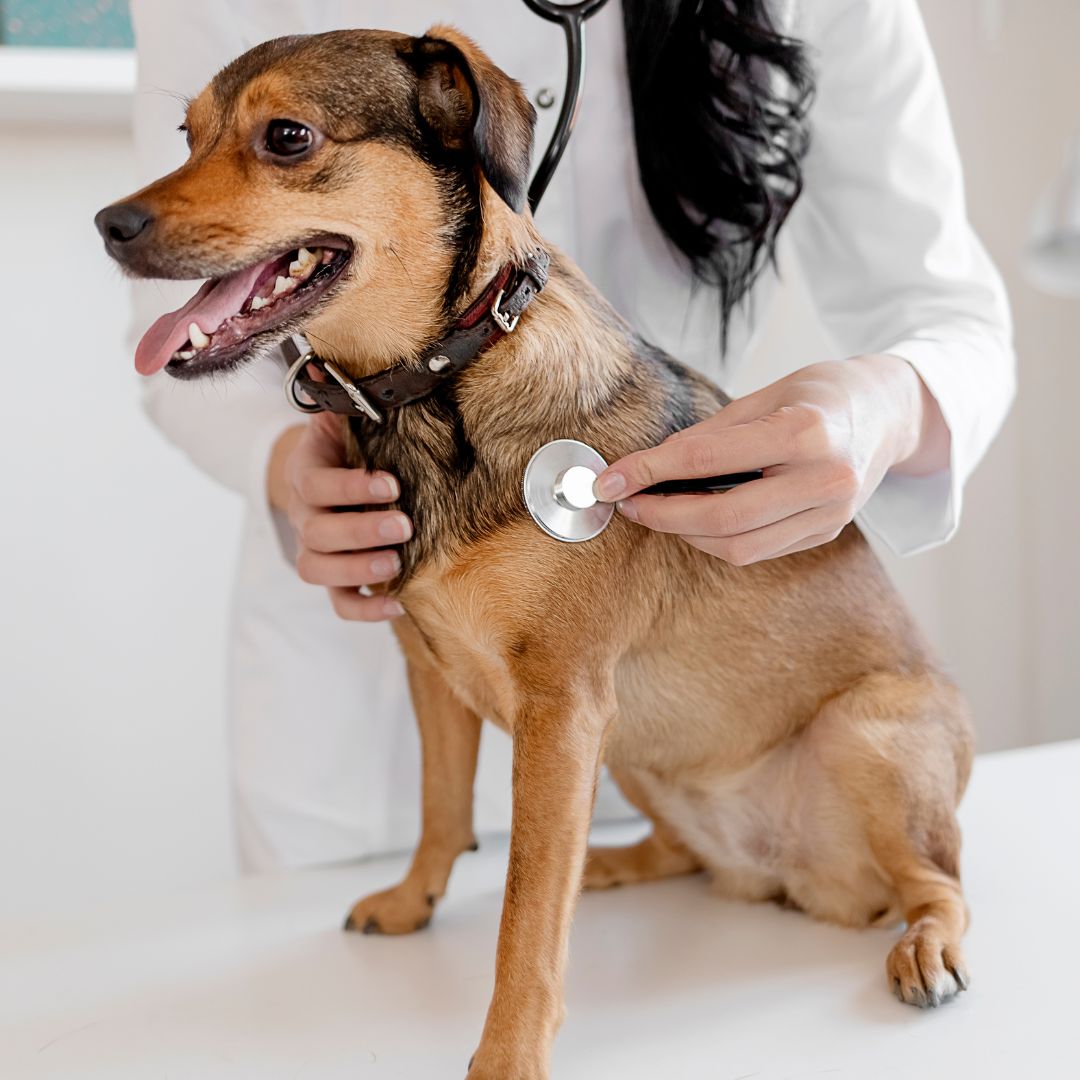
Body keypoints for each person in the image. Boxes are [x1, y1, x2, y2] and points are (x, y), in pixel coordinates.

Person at [128, 0, 1015, 871]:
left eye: (286, 138)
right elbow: (171, 328)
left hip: (688, 704)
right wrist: (283, 463)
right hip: (348, 751)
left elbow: (948, 312)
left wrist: (882, 409)